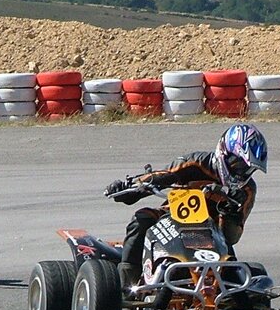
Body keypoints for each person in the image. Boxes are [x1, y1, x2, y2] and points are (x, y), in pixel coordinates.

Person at [105, 123, 268, 289]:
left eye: (248, 169)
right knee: (141, 219)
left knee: (245, 276)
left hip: (213, 237)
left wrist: (230, 211)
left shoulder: (247, 190)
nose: (241, 172)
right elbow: (163, 175)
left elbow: (231, 237)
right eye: (238, 164)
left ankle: (234, 298)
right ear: (224, 152)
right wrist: (129, 188)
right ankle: (126, 288)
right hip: (169, 220)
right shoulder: (195, 163)